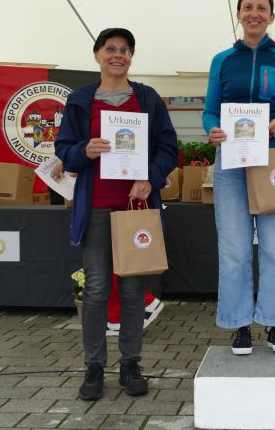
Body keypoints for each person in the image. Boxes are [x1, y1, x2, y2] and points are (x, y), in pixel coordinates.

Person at [55, 28, 177, 401]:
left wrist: (149, 178)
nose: (118, 55)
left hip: (134, 207)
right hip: (95, 205)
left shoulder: (147, 98)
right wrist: (85, 150)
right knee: (96, 288)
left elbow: (167, 148)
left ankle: (130, 364)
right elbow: (64, 149)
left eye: (125, 50)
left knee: (132, 289)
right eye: (111, 48)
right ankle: (94, 366)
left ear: (131, 57)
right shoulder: (80, 99)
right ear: (97, 55)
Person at [202, 0, 275, 355]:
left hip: (273, 162)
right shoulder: (221, 60)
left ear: (271, 17)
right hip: (231, 163)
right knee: (234, 249)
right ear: (238, 15)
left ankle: (274, 323)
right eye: (248, 7)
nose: (254, 13)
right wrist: (212, 130)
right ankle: (239, 326)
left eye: (262, 8)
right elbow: (210, 111)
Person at [51, 161, 165, 337]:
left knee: (110, 264)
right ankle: (125, 313)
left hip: (120, 190)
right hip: (108, 191)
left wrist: (76, 163)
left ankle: (133, 309)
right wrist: (74, 162)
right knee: (110, 263)